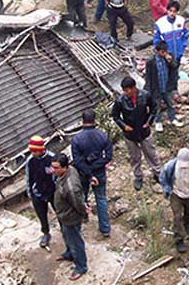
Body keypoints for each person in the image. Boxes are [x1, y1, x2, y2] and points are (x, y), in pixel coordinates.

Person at [112, 77, 161, 191]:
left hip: (144, 130)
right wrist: (124, 126)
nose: (126, 93)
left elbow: (154, 108)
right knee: (135, 157)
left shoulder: (145, 95)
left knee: (151, 153)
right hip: (130, 134)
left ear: (134, 88)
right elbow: (115, 116)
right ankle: (138, 176)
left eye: (127, 90)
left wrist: (149, 122)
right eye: (124, 90)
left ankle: (158, 173)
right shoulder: (120, 100)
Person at [71, 109, 113, 237]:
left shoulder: (77, 139)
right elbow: (108, 157)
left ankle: (84, 217)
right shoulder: (103, 136)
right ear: (95, 120)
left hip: (83, 173)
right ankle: (105, 229)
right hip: (99, 173)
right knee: (101, 198)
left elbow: (77, 161)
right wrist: (95, 168)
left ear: (82, 121)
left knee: (82, 196)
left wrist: (89, 172)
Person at [160, 148, 189, 253]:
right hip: (177, 194)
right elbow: (163, 178)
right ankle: (179, 239)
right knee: (177, 216)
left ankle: (188, 224)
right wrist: (167, 190)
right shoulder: (170, 166)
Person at [52, 153, 88, 281]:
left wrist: (84, 211)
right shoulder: (67, 172)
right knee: (66, 235)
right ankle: (69, 254)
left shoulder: (70, 186)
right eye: (53, 167)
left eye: (56, 168)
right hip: (63, 214)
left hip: (70, 217)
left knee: (76, 241)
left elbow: (77, 202)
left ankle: (81, 266)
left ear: (65, 167)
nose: (53, 170)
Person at [145, 41, 184, 132]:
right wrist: (149, 90)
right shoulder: (151, 62)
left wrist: (170, 61)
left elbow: (175, 68)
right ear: (157, 51)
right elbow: (149, 77)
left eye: (165, 51)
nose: (164, 53)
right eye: (162, 52)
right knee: (157, 106)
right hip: (157, 88)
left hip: (167, 87)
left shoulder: (168, 58)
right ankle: (158, 122)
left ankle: (172, 118)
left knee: (170, 103)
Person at [25, 136, 55, 248]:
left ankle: (65, 231)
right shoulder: (30, 161)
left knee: (60, 212)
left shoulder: (52, 158)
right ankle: (46, 233)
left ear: (41, 150)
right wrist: (30, 193)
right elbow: (28, 178)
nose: (32, 153)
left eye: (34, 151)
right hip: (38, 192)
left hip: (53, 191)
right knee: (42, 215)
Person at [154, 1, 189, 85]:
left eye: (174, 11)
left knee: (175, 71)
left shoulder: (181, 21)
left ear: (177, 12)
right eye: (170, 11)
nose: (172, 13)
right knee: (165, 73)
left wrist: (182, 50)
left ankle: (174, 88)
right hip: (166, 55)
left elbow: (185, 36)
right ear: (167, 10)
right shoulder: (160, 23)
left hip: (178, 54)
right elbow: (156, 41)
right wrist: (164, 54)